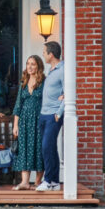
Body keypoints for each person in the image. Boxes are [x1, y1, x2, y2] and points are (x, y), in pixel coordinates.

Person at [12, 55, 44, 190]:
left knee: (38, 148)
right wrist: (15, 125)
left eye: (33, 64)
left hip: (39, 119)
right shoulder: (23, 82)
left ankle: (38, 181)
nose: (29, 67)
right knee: (24, 149)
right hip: (24, 121)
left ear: (38, 66)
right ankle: (25, 182)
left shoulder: (44, 81)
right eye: (28, 64)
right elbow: (18, 105)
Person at [36, 40, 64, 192]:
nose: (43, 54)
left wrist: (59, 113)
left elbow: (69, 93)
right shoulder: (52, 70)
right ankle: (54, 181)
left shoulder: (63, 70)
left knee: (47, 146)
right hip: (44, 114)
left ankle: (48, 180)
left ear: (51, 54)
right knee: (50, 148)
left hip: (54, 115)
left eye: (44, 52)